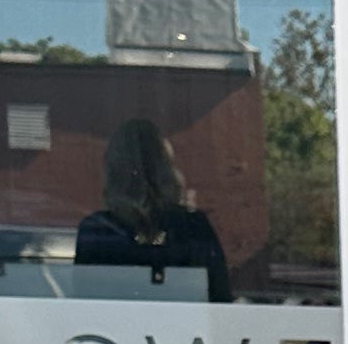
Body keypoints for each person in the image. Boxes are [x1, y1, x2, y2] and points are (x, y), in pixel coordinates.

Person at [77, 115, 234, 296]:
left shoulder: (97, 231)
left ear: (113, 172)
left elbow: (85, 307)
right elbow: (219, 299)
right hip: (185, 323)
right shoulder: (193, 228)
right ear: (167, 171)